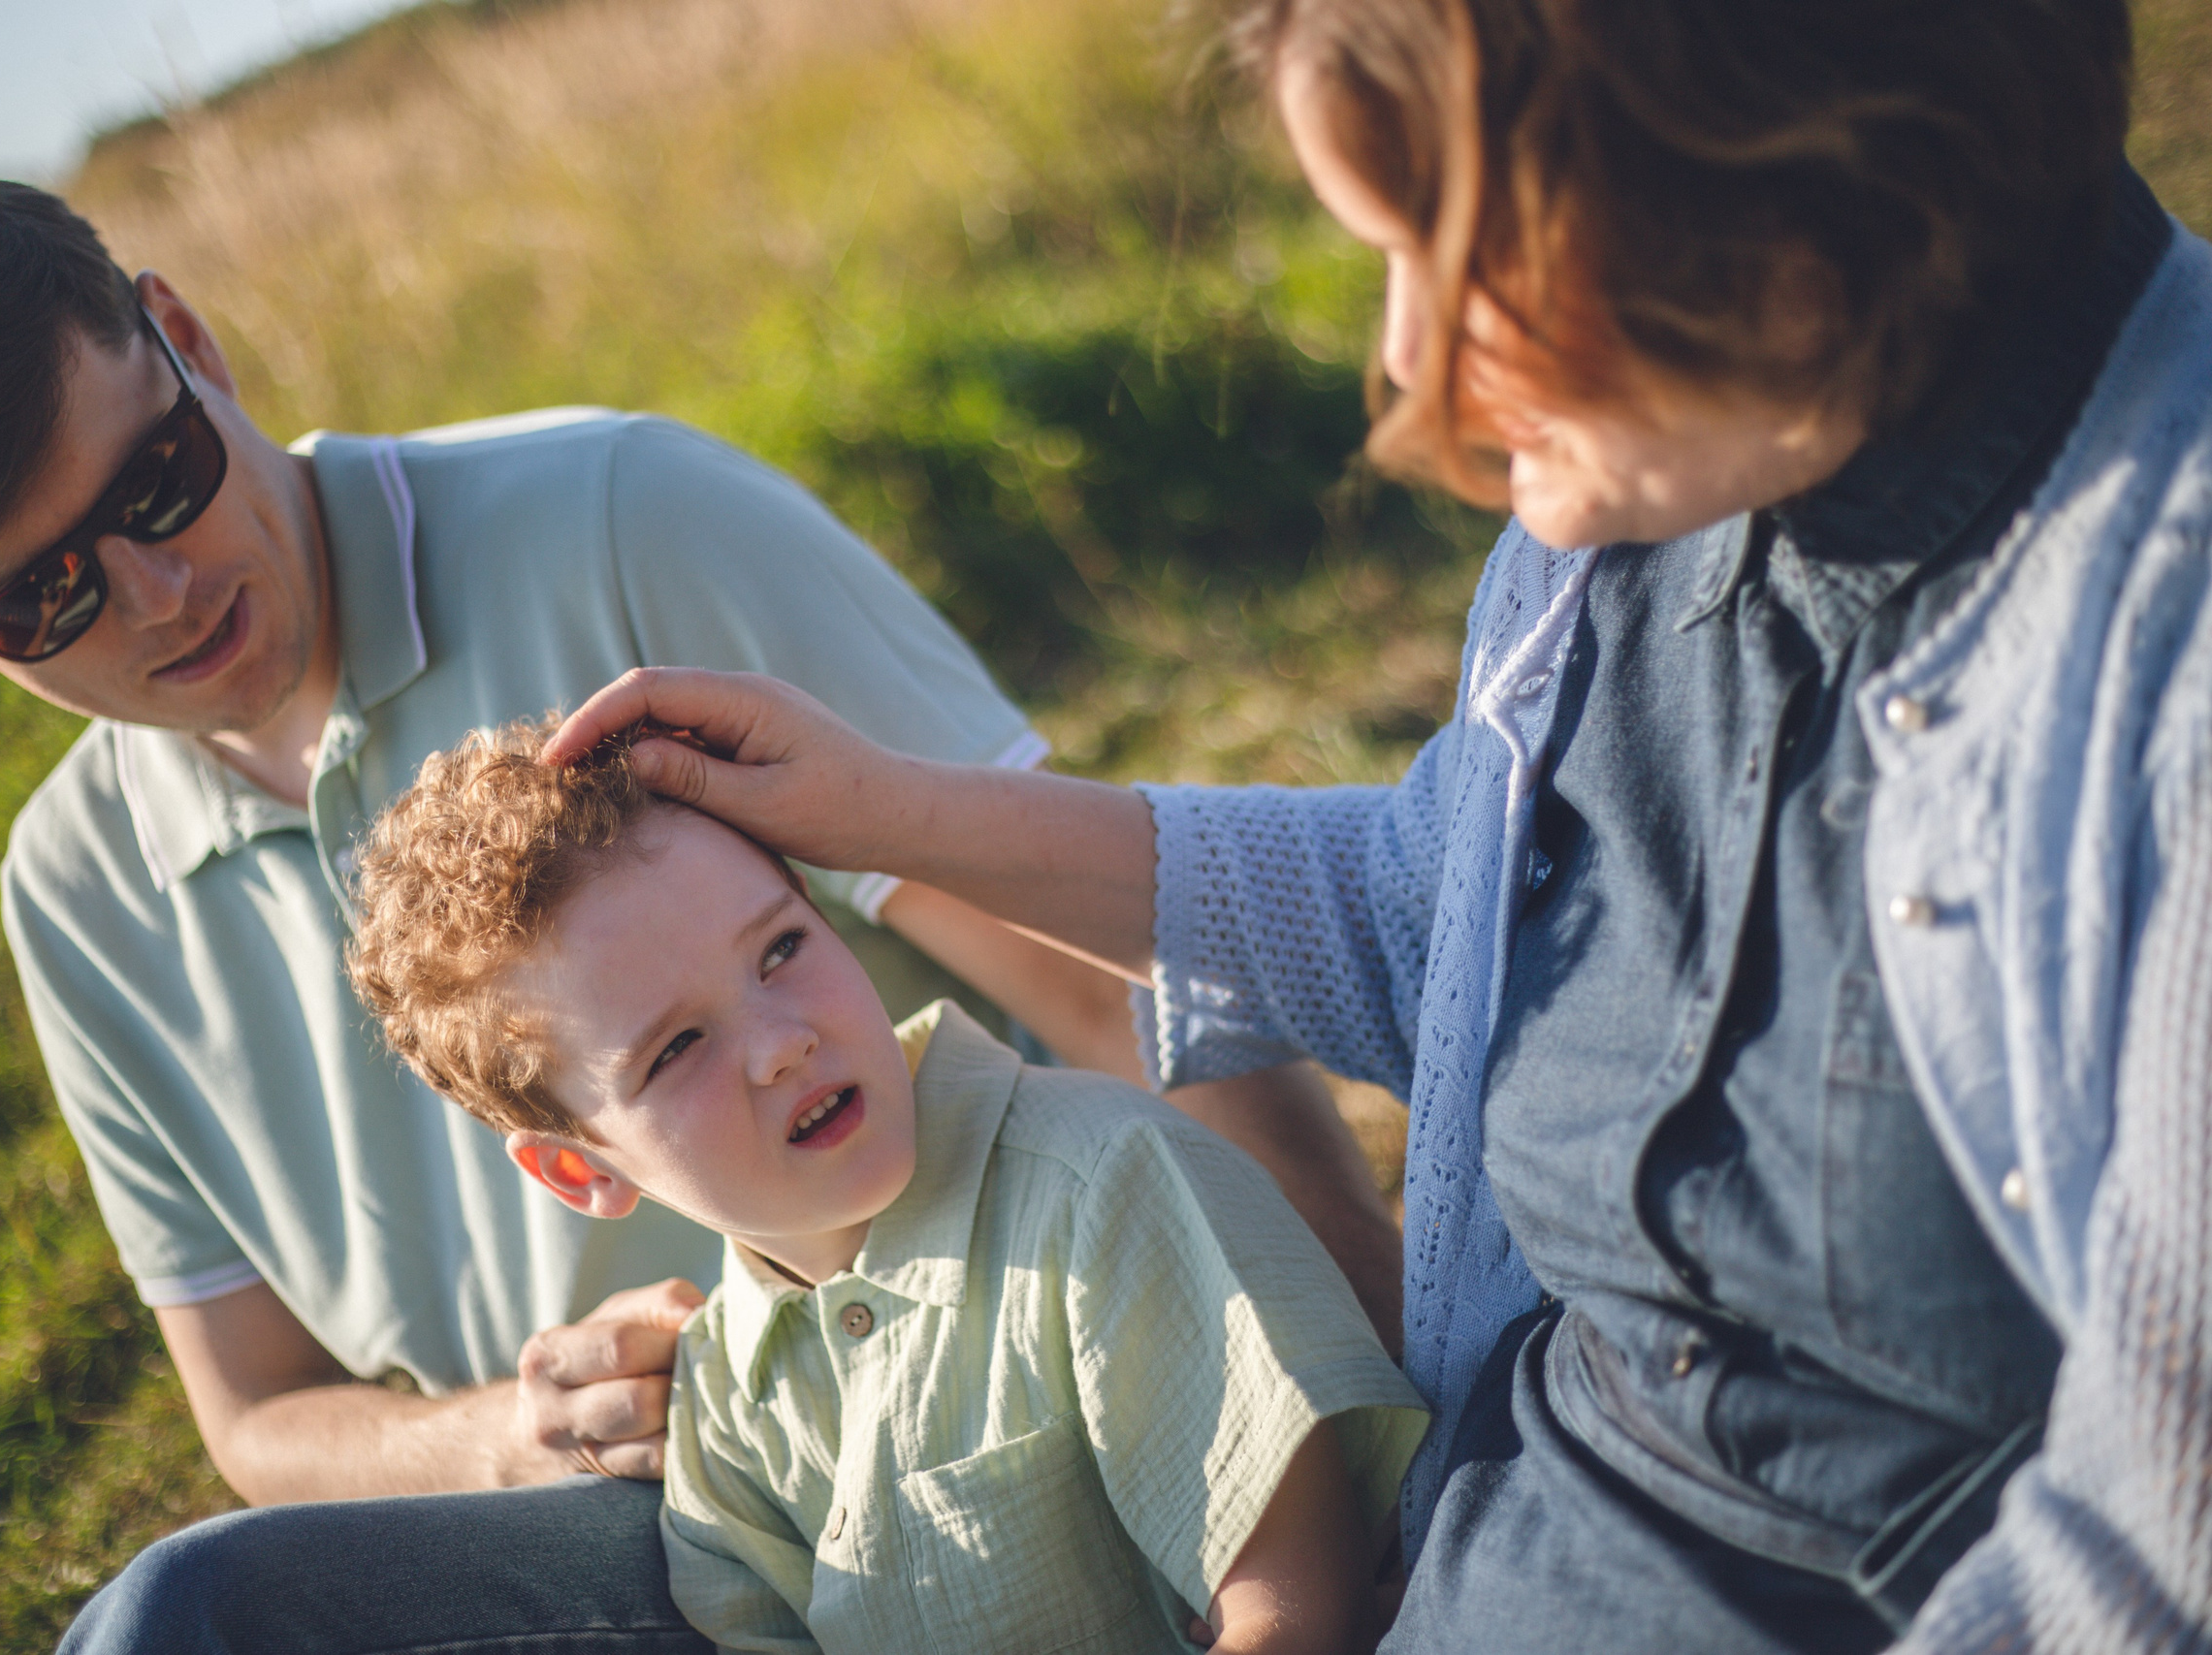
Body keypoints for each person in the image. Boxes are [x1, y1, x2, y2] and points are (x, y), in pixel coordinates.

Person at [543, 0, 2212, 1649]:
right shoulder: (1653, 495)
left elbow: (2150, 1552)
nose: (1407, 360)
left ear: (1786, 184)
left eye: (1470, 265)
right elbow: (1431, 916)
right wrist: (890, 809)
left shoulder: (2163, 659)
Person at [0, 172, 1402, 1651]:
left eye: (157, 481)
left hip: (1019, 1410)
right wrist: (513, 1429)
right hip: (654, 1531)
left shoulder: (625, 522)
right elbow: (254, 1415)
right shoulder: (73, 896)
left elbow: (1128, 986)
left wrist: (1396, 1420)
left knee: (195, 1612)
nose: (156, 597)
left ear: (184, 337)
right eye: (42, 597)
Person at [344, 717, 1427, 1653]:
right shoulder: (722, 1400)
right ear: (580, 1168)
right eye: (675, 1049)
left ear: (817, 907)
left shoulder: (1105, 1185)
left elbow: (1303, 1612)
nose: (780, 1043)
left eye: (777, 952)